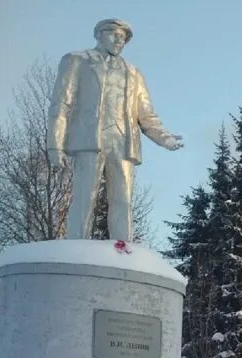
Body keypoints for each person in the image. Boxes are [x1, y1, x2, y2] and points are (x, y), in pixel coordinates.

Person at [48, 19, 184, 242]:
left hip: (123, 143)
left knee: (123, 201)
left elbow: (146, 115)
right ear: (99, 34)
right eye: (114, 34)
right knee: (84, 198)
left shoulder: (133, 73)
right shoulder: (77, 61)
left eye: (124, 38)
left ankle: (123, 249)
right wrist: (55, 144)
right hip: (89, 140)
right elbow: (60, 103)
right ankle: (76, 246)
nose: (119, 40)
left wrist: (165, 138)